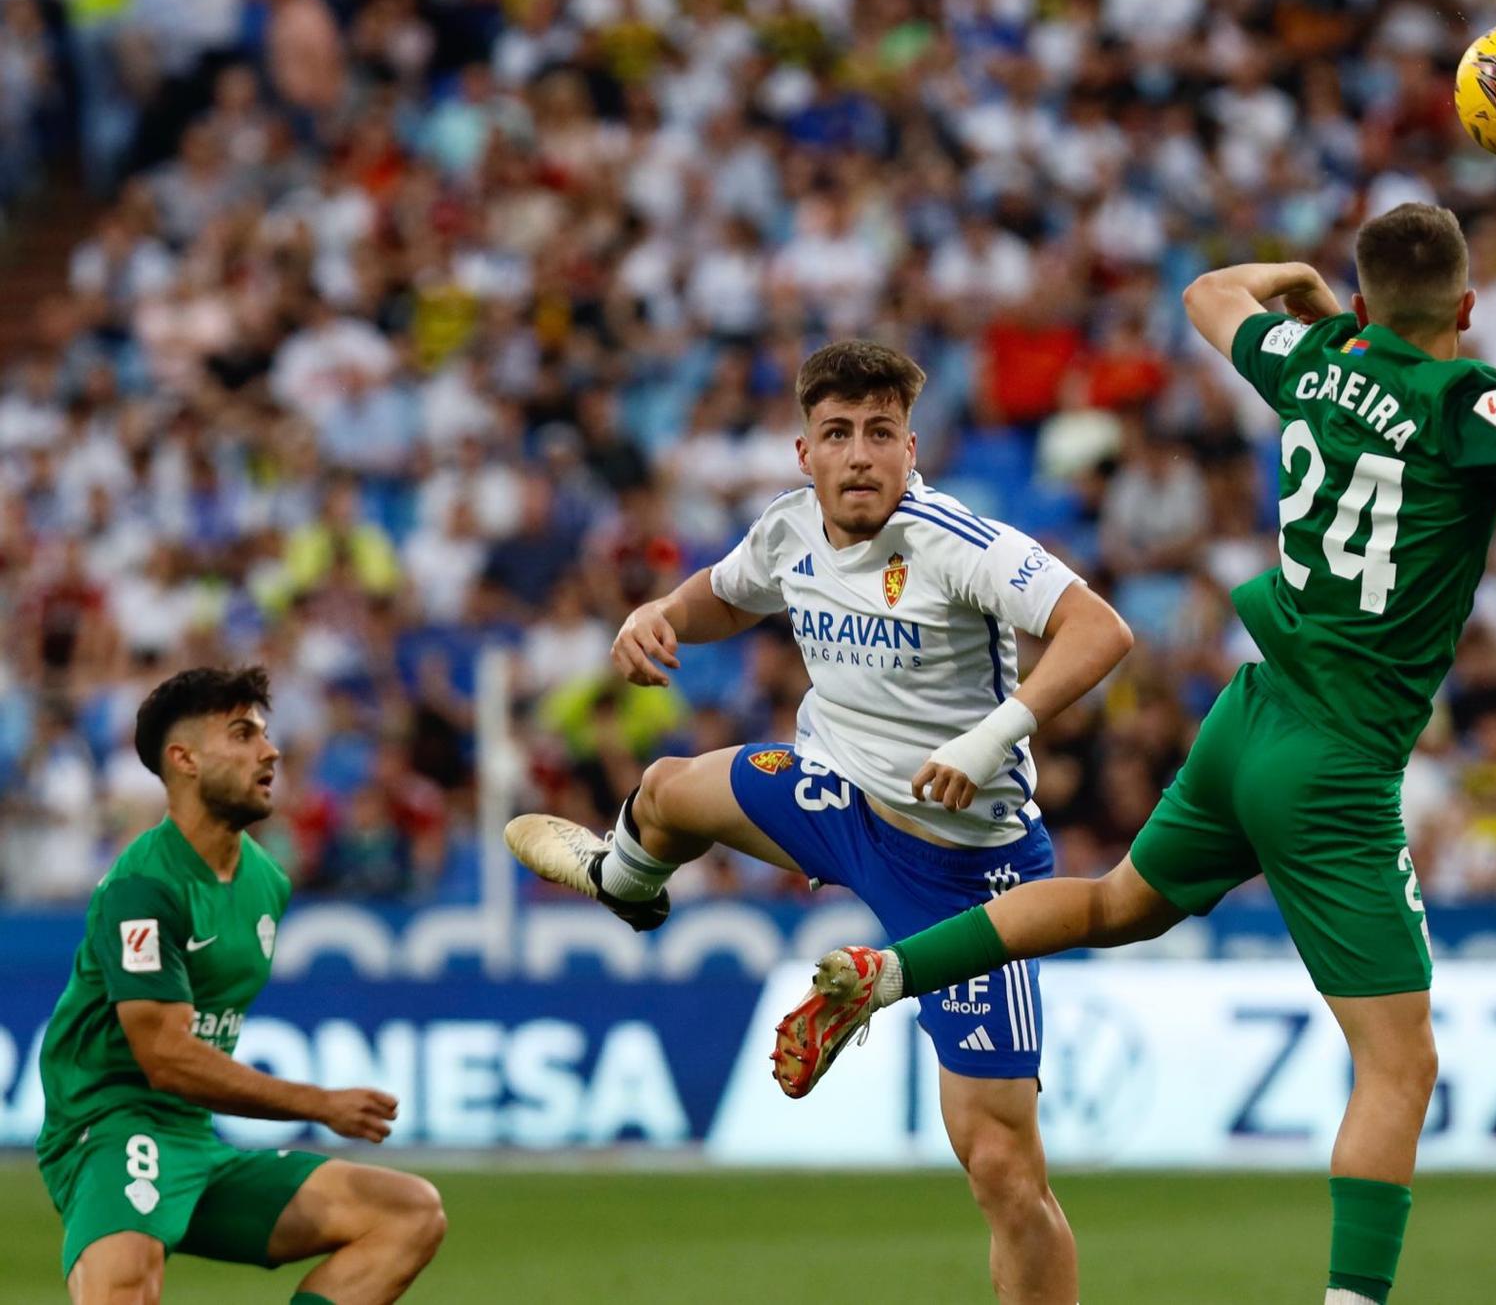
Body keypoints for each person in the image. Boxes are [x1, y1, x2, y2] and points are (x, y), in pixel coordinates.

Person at [774, 206, 1496, 1305]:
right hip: (1335, 763)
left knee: (1106, 905)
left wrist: (1311, 290)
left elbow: (1206, 295)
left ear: (1365, 305)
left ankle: (886, 971)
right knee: (1398, 1061)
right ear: (1465, 311)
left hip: (1248, 714)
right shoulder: (1464, 402)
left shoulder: (1315, 357)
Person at [504, 340, 1134, 1305]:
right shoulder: (789, 527)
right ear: (805, 453)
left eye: (880, 432)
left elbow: (1101, 628)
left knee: (1002, 1168)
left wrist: (989, 739)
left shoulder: (956, 540)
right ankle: (623, 882)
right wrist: (656, 613)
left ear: (909, 448)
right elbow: (723, 593)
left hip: (965, 867)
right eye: (836, 433)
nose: (859, 454)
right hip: (837, 797)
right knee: (669, 789)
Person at [36, 666, 447, 1304]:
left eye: (265, 733)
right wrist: (318, 1104)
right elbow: (165, 1057)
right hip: (111, 1122)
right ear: (185, 759)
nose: (271, 750)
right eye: (243, 734)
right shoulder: (142, 887)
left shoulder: (266, 882)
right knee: (125, 1284)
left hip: (194, 1139)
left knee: (408, 1213)